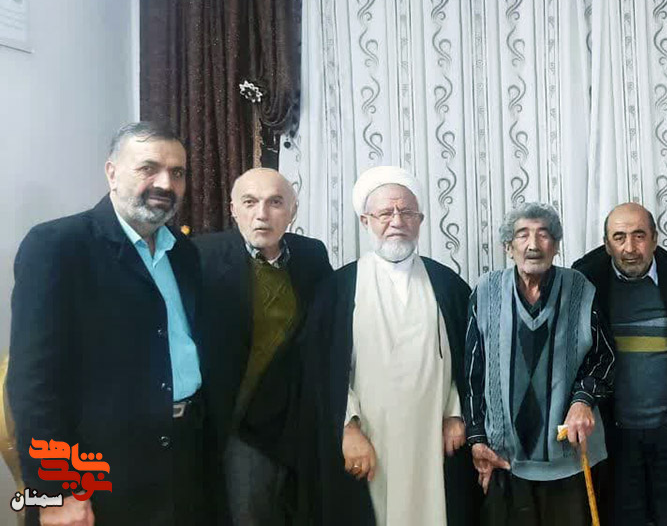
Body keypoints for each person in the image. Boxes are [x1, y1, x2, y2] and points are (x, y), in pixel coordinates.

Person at [8, 121, 220, 524]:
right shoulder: (58, 246)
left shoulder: (185, 253)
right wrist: (56, 492)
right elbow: (34, 383)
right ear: (112, 173)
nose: (166, 183)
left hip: (188, 457)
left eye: (177, 172)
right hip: (101, 471)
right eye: (148, 168)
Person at [246, 166, 481, 525]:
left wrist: (456, 414)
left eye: (407, 212)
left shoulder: (448, 285)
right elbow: (321, 373)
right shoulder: (338, 290)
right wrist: (347, 429)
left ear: (420, 220)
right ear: (365, 220)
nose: (396, 221)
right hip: (368, 441)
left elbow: (468, 362)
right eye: (385, 212)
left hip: (433, 440)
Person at [194, 167, 333, 524]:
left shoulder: (312, 256)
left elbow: (327, 331)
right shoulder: (202, 255)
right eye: (250, 202)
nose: (262, 214)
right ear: (233, 209)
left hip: (297, 419)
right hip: (238, 422)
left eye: (275, 203)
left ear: (292, 211)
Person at [464, 202, 616, 526]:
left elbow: (604, 357)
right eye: (523, 235)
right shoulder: (486, 291)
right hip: (505, 460)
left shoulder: (580, 289)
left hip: (570, 460)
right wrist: (477, 439)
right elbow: (473, 373)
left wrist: (583, 401)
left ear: (556, 246)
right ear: (508, 247)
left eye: (543, 235)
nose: (533, 244)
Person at [572, 202, 667, 525]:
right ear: (606, 244)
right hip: (614, 438)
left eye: (639, 235)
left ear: (655, 239)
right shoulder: (587, 284)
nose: (629, 248)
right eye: (619, 237)